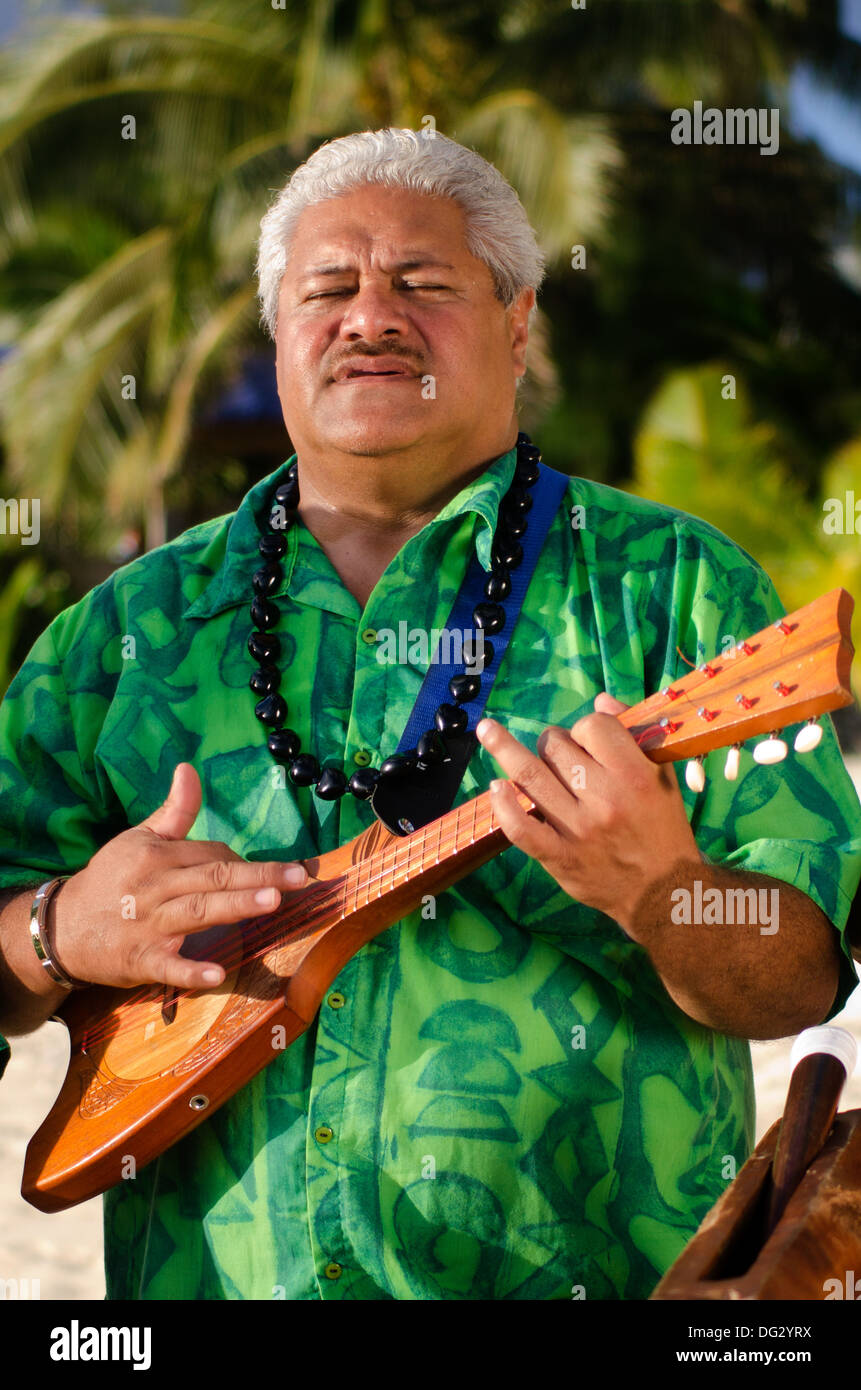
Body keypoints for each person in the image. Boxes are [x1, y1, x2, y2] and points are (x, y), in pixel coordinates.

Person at [0, 127, 858, 1302]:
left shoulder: (679, 591)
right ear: (280, 332)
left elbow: (803, 984)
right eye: (329, 288)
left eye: (422, 282)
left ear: (517, 325)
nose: (370, 315)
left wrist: (660, 891)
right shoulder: (117, 637)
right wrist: (56, 928)